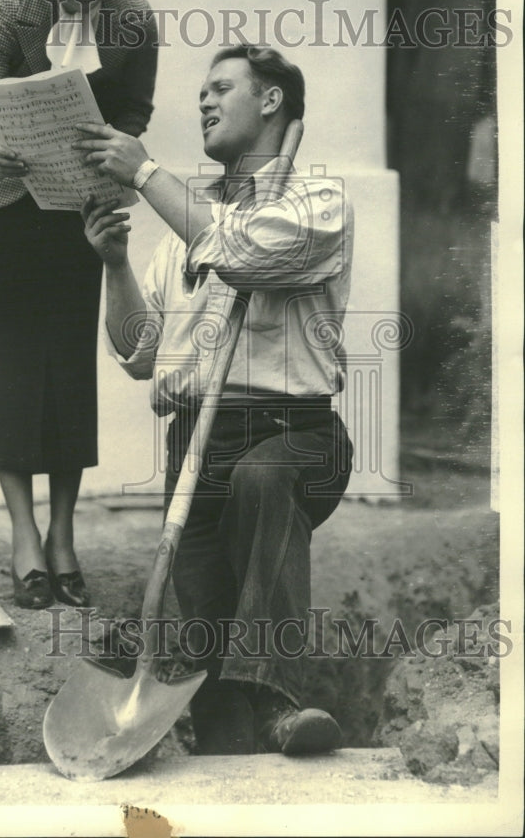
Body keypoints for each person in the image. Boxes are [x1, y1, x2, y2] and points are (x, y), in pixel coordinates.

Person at [78, 45, 354, 755]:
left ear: (271, 102)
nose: (202, 101)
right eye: (200, 90)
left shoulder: (317, 204)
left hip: (296, 434)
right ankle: (230, 737)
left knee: (264, 483)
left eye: (220, 87)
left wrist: (142, 171)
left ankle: (278, 700)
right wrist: (113, 266)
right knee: (199, 605)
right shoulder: (184, 234)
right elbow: (140, 354)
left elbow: (243, 251)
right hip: (201, 439)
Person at [0, 0, 158, 609]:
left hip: (75, 201)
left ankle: (64, 534)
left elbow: (136, 108)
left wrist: (118, 146)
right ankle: (23, 534)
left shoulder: (133, 20)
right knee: (5, 361)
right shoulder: (9, 6)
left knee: (65, 359)